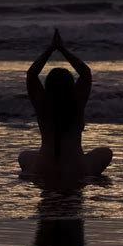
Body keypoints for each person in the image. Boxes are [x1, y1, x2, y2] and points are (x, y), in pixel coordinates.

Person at [19, 29, 112, 184]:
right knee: (105, 152)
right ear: (71, 86)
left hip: (43, 167)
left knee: (24, 156)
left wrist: (50, 50)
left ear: (48, 86)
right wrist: (63, 50)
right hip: (76, 168)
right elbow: (85, 73)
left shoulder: (43, 104)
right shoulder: (76, 103)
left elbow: (31, 75)